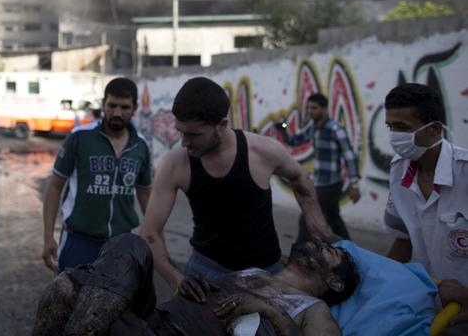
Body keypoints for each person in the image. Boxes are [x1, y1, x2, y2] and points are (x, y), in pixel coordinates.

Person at [141, 77, 336, 295]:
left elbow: (300, 177)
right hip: (205, 271)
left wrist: (315, 222)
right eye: (181, 132)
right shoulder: (175, 164)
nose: (184, 142)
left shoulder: (264, 151)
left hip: (266, 272)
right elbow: (150, 232)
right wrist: (177, 279)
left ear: (222, 125)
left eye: (193, 135)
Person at [33, 233, 359, 336]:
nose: (317, 244)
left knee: (66, 290)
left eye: (327, 251)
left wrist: (269, 312)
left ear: (334, 281)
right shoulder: (253, 273)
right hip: (153, 321)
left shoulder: (315, 311)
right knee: (130, 244)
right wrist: (188, 284)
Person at [42, 77, 152, 273]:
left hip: (121, 243)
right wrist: (48, 235)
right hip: (78, 240)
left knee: (116, 301)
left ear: (134, 108)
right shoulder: (80, 137)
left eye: (124, 107)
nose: (117, 112)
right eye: (112, 105)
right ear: (103, 104)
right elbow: (55, 185)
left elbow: (145, 194)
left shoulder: (141, 146)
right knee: (72, 299)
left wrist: (152, 237)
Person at [383, 83, 468, 333]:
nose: (394, 137)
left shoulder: (464, 173)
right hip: (427, 301)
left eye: (402, 128)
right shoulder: (398, 171)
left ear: (434, 130)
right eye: (390, 127)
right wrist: (380, 281)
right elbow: (402, 240)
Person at [275, 93, 361, 242]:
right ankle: (349, 250)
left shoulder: (335, 129)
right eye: (309, 108)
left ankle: (300, 256)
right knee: (334, 218)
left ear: (324, 109)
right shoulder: (313, 128)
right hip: (321, 182)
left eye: (314, 108)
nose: (311, 111)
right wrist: (284, 130)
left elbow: (349, 155)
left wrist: (354, 184)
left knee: (307, 218)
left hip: (331, 184)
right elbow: (295, 141)